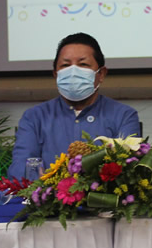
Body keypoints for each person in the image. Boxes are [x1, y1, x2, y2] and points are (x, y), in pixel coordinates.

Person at [9, 33, 140, 179]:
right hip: (48, 198)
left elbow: (129, 168)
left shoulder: (123, 116)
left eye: (83, 64)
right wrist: (47, 187)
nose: (73, 72)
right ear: (56, 74)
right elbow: (20, 168)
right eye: (65, 65)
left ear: (101, 74)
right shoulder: (34, 117)